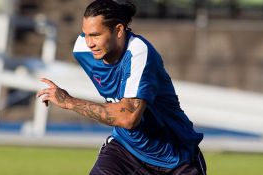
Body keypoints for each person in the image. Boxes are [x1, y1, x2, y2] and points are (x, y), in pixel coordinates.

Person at [37, 0, 207, 174]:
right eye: (85, 34)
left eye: (95, 35)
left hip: (176, 159)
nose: (89, 43)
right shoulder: (83, 51)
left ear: (118, 30)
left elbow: (129, 118)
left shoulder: (139, 53)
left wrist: (70, 102)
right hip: (125, 151)